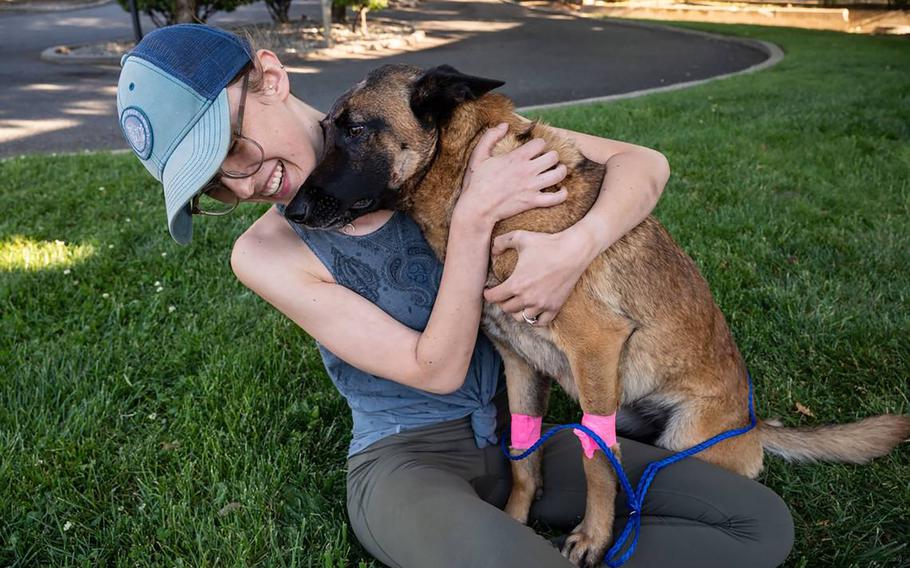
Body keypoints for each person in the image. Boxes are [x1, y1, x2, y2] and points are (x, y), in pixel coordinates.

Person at [116, 23, 794, 568]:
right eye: (212, 185)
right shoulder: (264, 252)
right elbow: (434, 370)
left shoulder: (425, 129)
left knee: (755, 524)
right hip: (409, 465)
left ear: (269, 77)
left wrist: (571, 250)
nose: (242, 185)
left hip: (519, 440)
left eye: (232, 151)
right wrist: (472, 221)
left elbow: (643, 165)